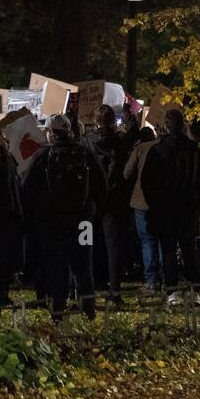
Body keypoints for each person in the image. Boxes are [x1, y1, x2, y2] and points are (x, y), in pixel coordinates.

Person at [20, 114, 106, 321]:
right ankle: (89, 309)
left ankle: (58, 309)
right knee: (84, 267)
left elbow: (27, 190)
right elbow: (101, 185)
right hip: (84, 222)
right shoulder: (85, 154)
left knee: (56, 267)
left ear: (51, 133)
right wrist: (91, 210)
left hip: (53, 224)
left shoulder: (42, 157)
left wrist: (37, 216)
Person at [142, 109, 200, 301]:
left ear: (167, 126)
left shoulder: (158, 150)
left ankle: (172, 290)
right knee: (189, 250)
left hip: (165, 209)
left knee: (168, 250)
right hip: (188, 208)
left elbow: (147, 182)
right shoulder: (194, 151)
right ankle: (195, 290)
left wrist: (154, 204)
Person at [82, 104, 129, 307]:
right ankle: (115, 289)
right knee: (113, 245)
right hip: (113, 199)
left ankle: (90, 285)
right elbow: (119, 168)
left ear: (96, 121)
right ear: (112, 121)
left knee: (89, 243)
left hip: (91, 198)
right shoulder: (119, 143)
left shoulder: (87, 142)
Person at [0, 129, 24, 306]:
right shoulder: (0, 163)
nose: (6, 140)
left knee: (3, 261)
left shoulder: (2, 162)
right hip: (7, 217)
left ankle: (2, 293)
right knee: (3, 261)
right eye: (2, 138)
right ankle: (1, 294)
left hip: (6, 217)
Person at [123, 125, 160, 290]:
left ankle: (151, 279)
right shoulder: (161, 147)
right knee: (161, 239)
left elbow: (127, 172)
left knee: (147, 240)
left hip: (141, 201)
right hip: (161, 201)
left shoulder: (139, 149)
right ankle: (164, 276)